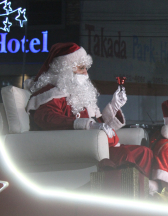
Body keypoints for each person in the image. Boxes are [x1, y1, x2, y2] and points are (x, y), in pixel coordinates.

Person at [24, 42, 152, 177]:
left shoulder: (79, 93)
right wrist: (86, 124)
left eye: (86, 68)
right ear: (65, 70)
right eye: (81, 68)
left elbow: (99, 123)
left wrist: (114, 106)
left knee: (144, 153)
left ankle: (145, 190)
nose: (86, 73)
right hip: (78, 147)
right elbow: (47, 118)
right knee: (123, 156)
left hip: (97, 143)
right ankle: (129, 193)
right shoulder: (51, 93)